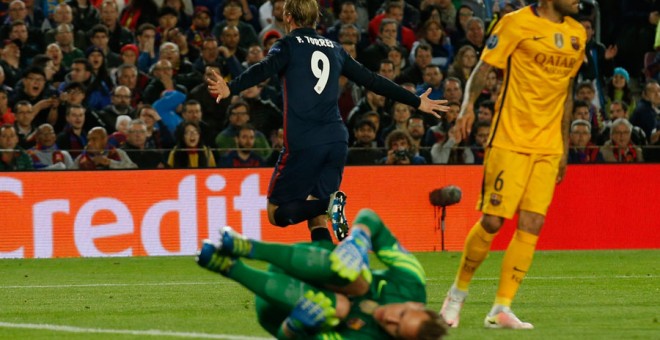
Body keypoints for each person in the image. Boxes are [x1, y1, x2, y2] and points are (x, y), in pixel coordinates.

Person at [207, 0, 448, 242]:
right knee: (317, 218)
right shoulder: (335, 48)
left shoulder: (288, 44)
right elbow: (373, 81)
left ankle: (330, 204)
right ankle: (329, 274)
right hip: (336, 139)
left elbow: (264, 69)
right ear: (316, 19)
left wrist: (230, 87)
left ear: (288, 17)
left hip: (303, 141)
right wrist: (416, 101)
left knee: (277, 213)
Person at [441, 0, 585, 330]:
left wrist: (563, 145)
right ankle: (455, 297)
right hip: (510, 138)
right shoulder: (514, 23)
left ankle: (501, 307)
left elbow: (568, 92)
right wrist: (467, 107)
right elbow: (483, 68)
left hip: (548, 146)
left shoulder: (577, 33)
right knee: (492, 221)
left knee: (532, 222)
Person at [195, 208, 448, 339]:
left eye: (395, 330)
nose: (389, 319)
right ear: (417, 304)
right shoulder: (412, 282)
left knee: (338, 307)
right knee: (357, 277)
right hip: (307, 263)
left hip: (279, 307)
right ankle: (248, 246)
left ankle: (229, 267)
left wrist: (294, 327)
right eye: (401, 314)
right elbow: (372, 218)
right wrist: (359, 239)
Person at [73, 126, 137, 170]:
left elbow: (134, 168)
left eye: (94, 139)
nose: (89, 143)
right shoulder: (81, 158)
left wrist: (109, 162)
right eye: (89, 140)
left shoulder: (119, 153)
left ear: (104, 140)